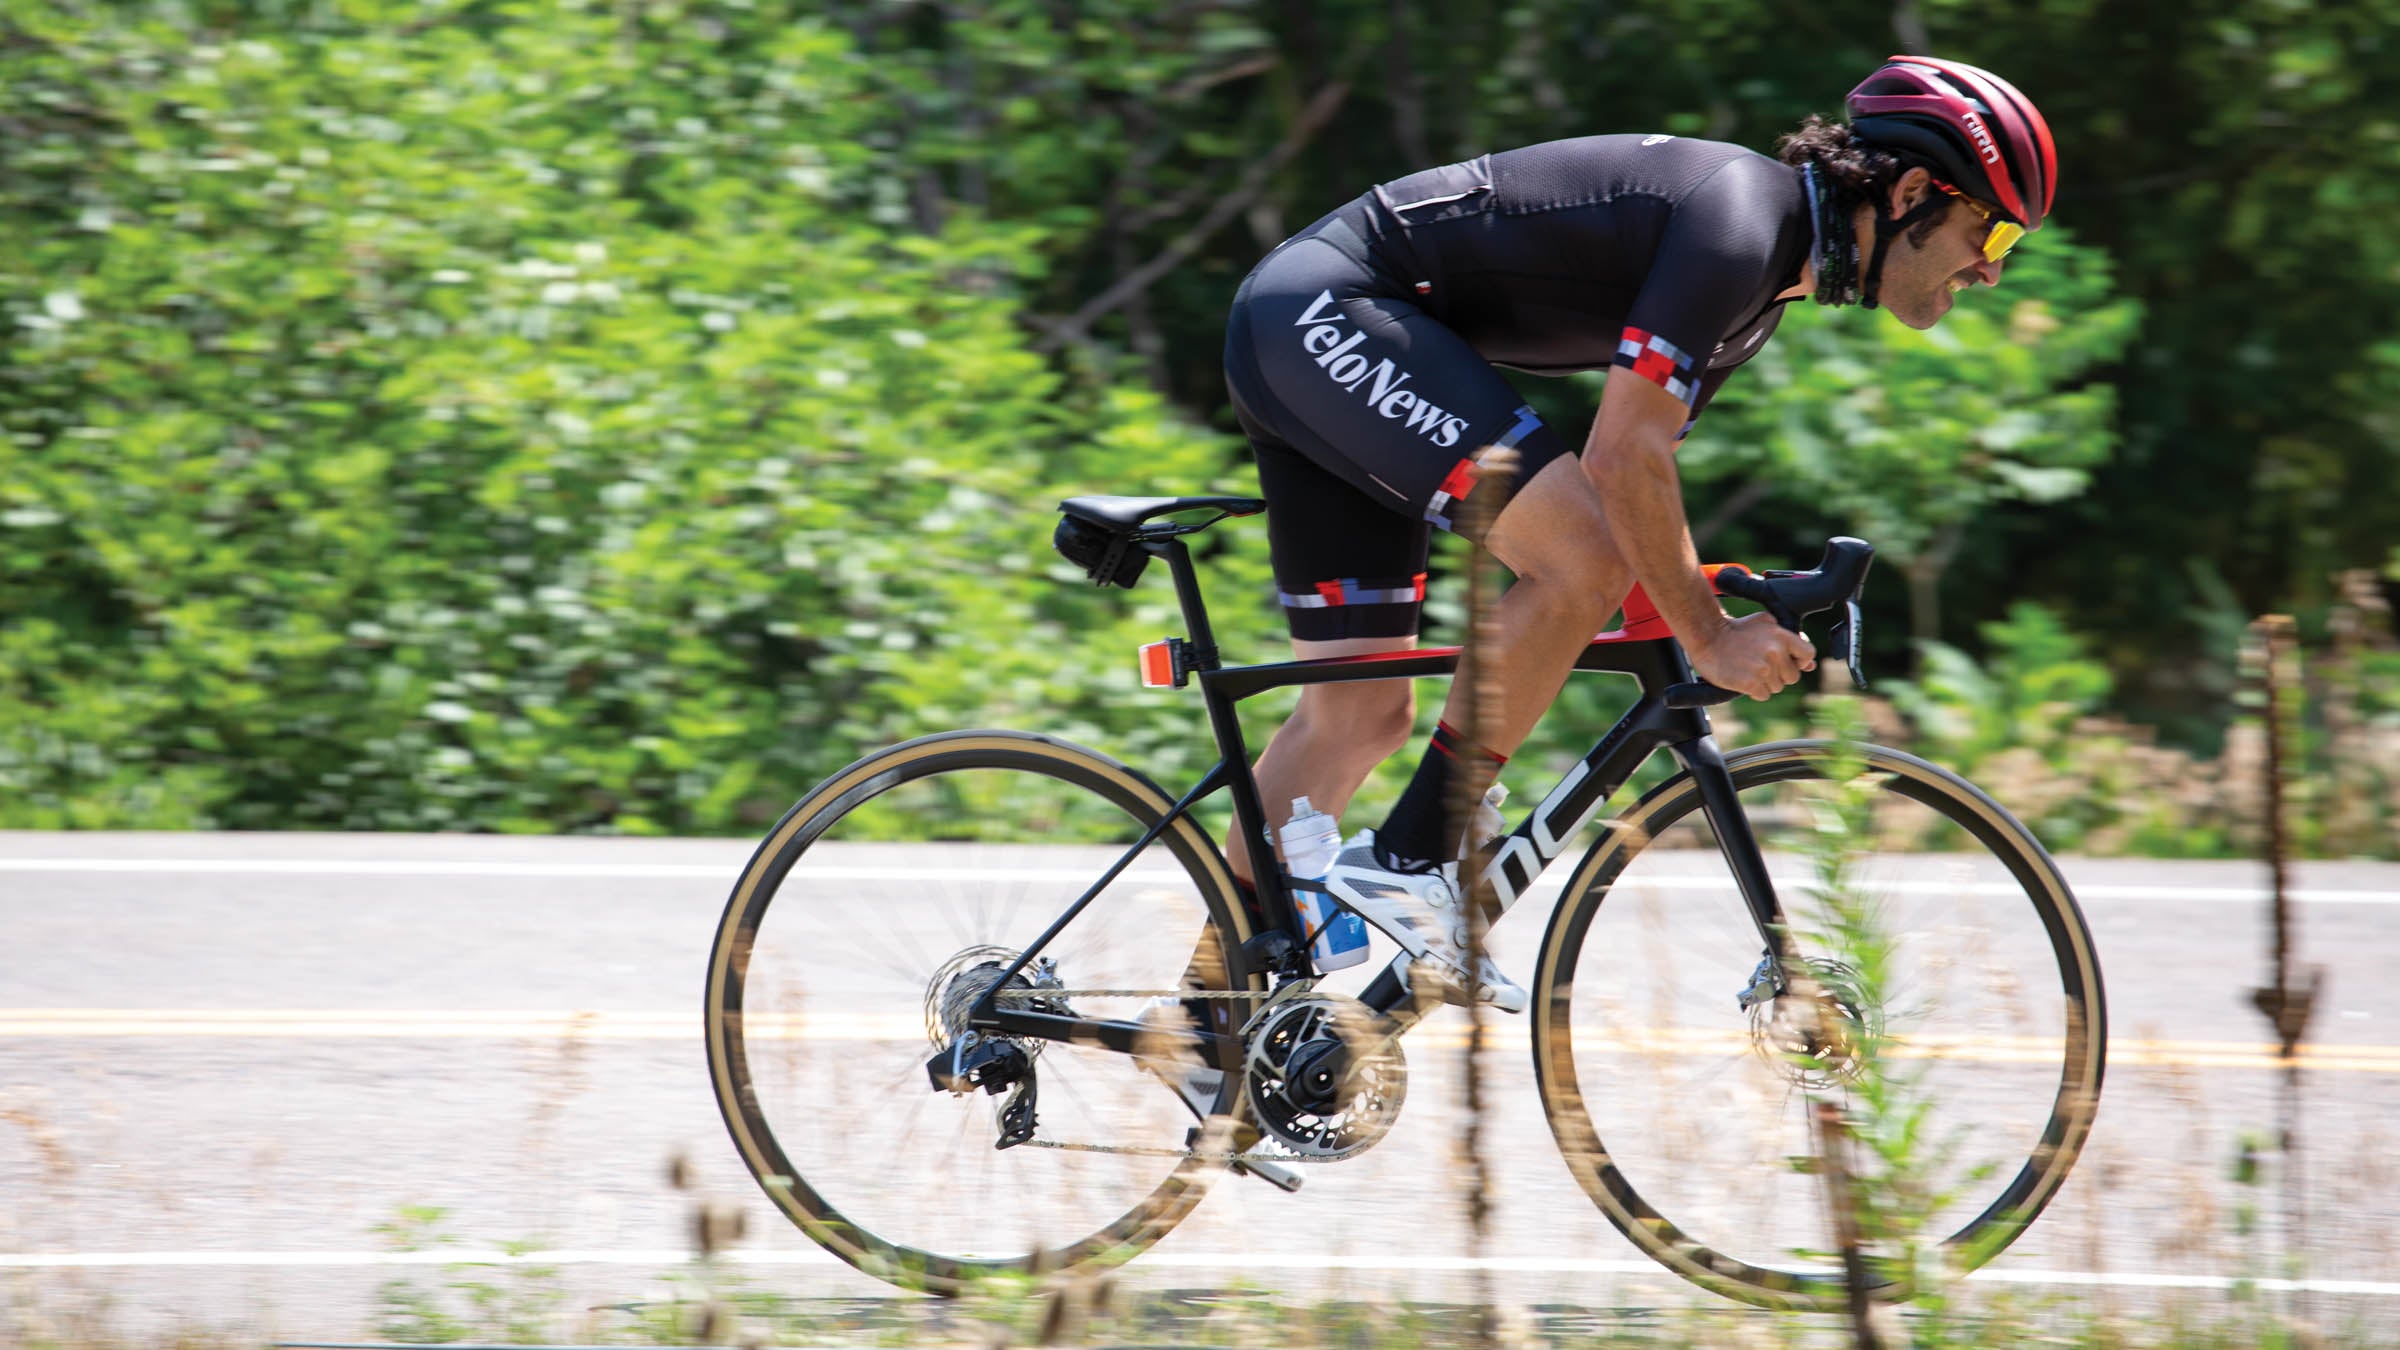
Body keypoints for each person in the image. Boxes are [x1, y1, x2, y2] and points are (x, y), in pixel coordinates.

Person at [1218, 55, 2057, 1010]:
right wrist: (1704, 632)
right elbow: (1621, 464)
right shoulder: (1741, 220)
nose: (1991, 268)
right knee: (1583, 560)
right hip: (1332, 311)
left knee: (1356, 716)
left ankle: (1210, 1026)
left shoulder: (1760, 296)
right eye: (1988, 230)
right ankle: (1412, 857)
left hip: (1309, 325)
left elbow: (1640, 481)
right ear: (1911, 193)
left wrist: (1719, 591)